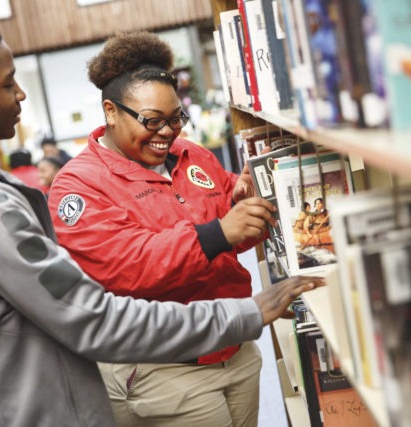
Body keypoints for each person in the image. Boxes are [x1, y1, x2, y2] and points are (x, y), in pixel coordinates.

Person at [0, 11, 323, 427]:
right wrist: (246, 308)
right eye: (9, 82)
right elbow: (100, 311)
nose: (21, 94)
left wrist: (239, 213)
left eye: (175, 119)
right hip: (146, 372)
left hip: (220, 348)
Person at [48, 31, 287, 426]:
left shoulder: (193, 156)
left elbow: (232, 233)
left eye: (176, 118)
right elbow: (125, 269)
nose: (167, 132)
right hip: (163, 369)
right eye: (152, 120)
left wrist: (248, 211)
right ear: (111, 111)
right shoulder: (78, 186)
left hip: (234, 347)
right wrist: (219, 232)